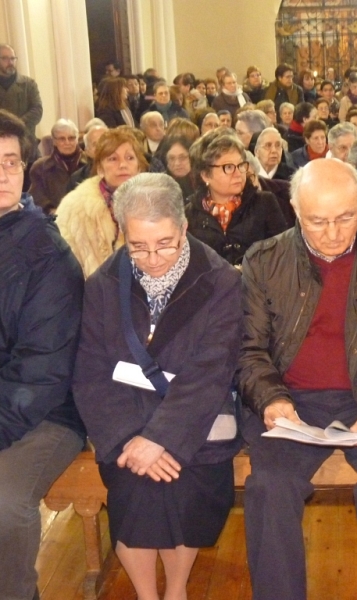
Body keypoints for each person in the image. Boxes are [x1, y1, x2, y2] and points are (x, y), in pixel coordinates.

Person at [237, 157, 357, 600]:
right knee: (269, 486)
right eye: (317, 221)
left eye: (346, 217)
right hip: (291, 404)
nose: (332, 232)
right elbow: (249, 349)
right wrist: (271, 399)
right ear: (294, 211)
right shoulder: (264, 261)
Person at [73, 172, 243, 600]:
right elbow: (91, 371)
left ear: (184, 227)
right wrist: (131, 440)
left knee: (184, 484)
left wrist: (163, 438)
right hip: (125, 421)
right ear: (122, 235)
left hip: (195, 416)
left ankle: (178, 589)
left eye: (165, 243)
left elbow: (212, 370)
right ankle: (149, 595)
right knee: (135, 487)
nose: (152, 258)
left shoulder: (221, 281)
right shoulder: (103, 284)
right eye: (138, 246)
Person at [0, 109, 85, 600]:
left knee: (5, 501)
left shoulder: (45, 254)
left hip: (46, 413)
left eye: (12, 161)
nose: (5, 174)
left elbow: (43, 370)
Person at [56, 128, 148, 278]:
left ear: (139, 167)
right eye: (113, 159)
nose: (123, 165)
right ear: (100, 169)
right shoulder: (75, 208)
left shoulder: (155, 203)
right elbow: (64, 270)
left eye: (130, 158)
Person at [185, 131, 287, 266]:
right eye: (228, 167)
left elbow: (283, 255)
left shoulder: (264, 203)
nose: (238, 173)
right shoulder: (190, 215)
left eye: (240, 165)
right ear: (205, 175)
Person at [28, 118, 85, 214]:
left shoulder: (91, 164)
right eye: (62, 139)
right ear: (54, 141)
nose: (67, 142)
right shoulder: (40, 167)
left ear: (77, 139)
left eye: (71, 138)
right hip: (52, 219)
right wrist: (51, 210)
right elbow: (36, 195)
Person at [0, 44, 42, 147]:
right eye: (5, 58)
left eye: (13, 58)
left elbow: (37, 110)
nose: (10, 62)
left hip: (27, 143)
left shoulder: (28, 84)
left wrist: (16, 125)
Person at [68, 123, 108, 191]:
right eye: (95, 144)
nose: (101, 147)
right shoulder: (77, 179)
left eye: (104, 142)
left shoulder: (124, 171)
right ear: (87, 151)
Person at [155, 134, 195, 199]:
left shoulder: (203, 180)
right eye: (171, 158)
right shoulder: (159, 184)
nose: (177, 163)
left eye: (182, 157)